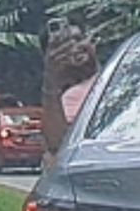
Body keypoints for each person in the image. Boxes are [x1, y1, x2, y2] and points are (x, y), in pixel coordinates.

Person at [41, 21, 100, 159]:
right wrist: (50, 82)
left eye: (79, 40)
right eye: (64, 46)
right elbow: (60, 146)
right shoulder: (67, 99)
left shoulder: (118, 78)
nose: (75, 48)